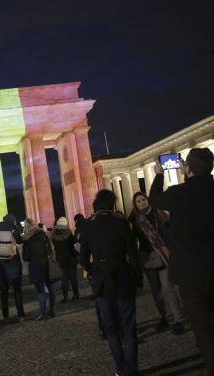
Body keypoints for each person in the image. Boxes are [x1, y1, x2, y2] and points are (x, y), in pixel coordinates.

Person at [149, 148, 214, 374]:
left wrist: (158, 174)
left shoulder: (180, 193)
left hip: (191, 273)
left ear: (187, 169)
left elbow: (154, 199)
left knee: (203, 329)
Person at [80, 190, 142, 376]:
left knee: (111, 330)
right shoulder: (121, 223)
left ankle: (120, 368)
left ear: (96, 206)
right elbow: (133, 254)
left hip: (101, 283)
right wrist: (137, 278)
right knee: (128, 328)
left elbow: (83, 259)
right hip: (123, 278)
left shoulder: (87, 227)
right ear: (112, 205)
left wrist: (94, 271)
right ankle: (131, 369)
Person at [128, 191, 186, 335]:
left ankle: (177, 318)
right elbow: (133, 242)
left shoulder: (160, 214)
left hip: (163, 256)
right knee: (156, 291)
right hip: (147, 258)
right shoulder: (134, 220)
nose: (142, 202)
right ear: (135, 205)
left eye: (143, 199)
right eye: (138, 201)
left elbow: (171, 233)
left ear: (148, 200)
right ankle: (164, 316)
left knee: (168, 288)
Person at [0, 214, 25, 322]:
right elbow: (20, 241)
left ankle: (5, 316)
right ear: (12, 221)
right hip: (13, 262)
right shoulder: (13, 228)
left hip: (1, 263)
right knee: (17, 290)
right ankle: (20, 314)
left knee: (4, 292)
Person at [22, 218, 56, 320]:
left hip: (35, 266)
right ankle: (52, 311)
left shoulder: (27, 239)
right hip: (46, 265)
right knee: (50, 287)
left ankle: (42, 313)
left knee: (41, 291)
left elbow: (26, 257)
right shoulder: (43, 236)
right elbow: (50, 251)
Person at [51, 217, 80, 303]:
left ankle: (65, 297)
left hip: (61, 259)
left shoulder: (54, 234)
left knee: (64, 279)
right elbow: (74, 244)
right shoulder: (68, 232)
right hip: (71, 258)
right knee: (73, 277)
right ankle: (76, 294)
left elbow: (56, 247)